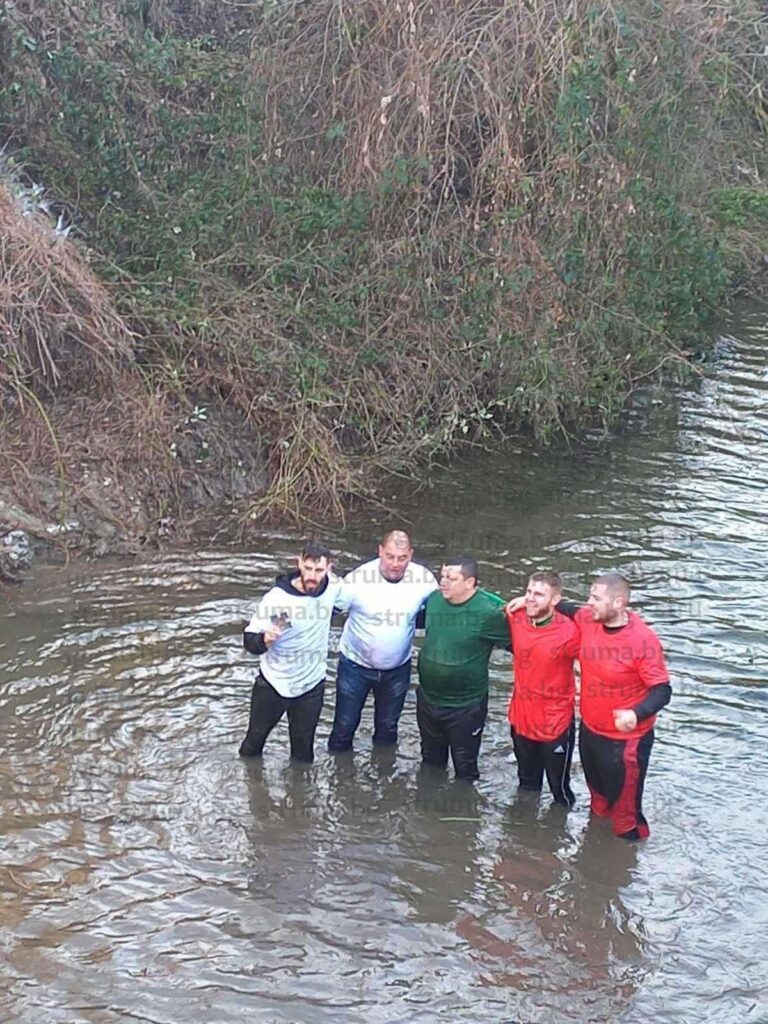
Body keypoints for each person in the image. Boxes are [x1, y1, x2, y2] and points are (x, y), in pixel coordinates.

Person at [573, 573, 671, 840]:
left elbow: (662, 691)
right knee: (599, 802)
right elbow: (564, 608)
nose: (588, 603)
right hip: (591, 730)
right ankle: (594, 856)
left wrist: (635, 713)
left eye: (596, 598)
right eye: (590, 596)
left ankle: (629, 870)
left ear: (618, 603)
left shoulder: (643, 640)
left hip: (625, 741)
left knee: (626, 817)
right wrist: (527, 600)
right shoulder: (589, 619)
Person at [327, 529, 438, 752]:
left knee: (388, 729)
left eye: (402, 558)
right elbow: (327, 610)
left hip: (397, 669)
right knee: (344, 727)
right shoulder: (358, 579)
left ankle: (385, 777)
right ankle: (339, 780)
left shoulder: (424, 579)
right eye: (390, 556)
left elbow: (447, 608)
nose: (395, 564)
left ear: (411, 555)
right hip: (355, 667)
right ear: (380, 552)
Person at [239, 541, 339, 763]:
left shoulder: (333, 587)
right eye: (308, 569)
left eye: (319, 570)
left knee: (304, 755)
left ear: (329, 569)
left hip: (311, 686)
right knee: (253, 744)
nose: (313, 576)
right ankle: (250, 787)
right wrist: (264, 639)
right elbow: (248, 640)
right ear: (299, 564)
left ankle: (300, 795)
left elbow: (353, 601)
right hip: (274, 684)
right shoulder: (277, 598)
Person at [417, 555, 510, 781]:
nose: (443, 582)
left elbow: (523, 645)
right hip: (428, 700)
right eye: (442, 576)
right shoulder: (433, 600)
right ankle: (428, 807)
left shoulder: (491, 612)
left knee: (465, 768)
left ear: (470, 583)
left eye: (451, 578)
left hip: (465, 706)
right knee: (430, 763)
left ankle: (464, 808)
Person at [506, 570, 580, 806]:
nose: (530, 598)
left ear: (555, 600)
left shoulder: (570, 632)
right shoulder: (515, 615)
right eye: (528, 591)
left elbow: (600, 627)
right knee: (526, 785)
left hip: (555, 724)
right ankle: (523, 834)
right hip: (521, 719)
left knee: (559, 791)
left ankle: (559, 837)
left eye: (539, 594)